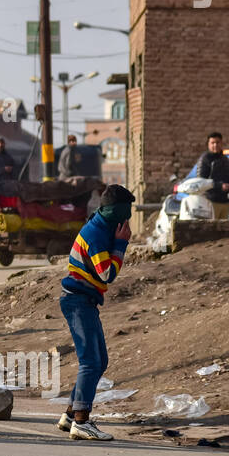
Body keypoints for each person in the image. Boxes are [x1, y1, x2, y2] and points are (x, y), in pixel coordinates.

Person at [59, 184, 135, 441]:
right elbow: (107, 273)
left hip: (84, 300)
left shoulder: (101, 225)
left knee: (99, 361)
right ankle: (81, 421)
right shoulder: (97, 234)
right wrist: (122, 244)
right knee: (91, 362)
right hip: (78, 301)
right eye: (128, 211)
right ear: (118, 211)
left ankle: (70, 413)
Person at [197, 131, 229, 208]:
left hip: (225, 201)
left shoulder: (225, 158)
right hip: (210, 201)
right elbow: (201, 181)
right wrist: (220, 186)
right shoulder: (205, 159)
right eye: (212, 143)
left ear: (221, 143)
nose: (215, 145)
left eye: (218, 142)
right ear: (208, 144)